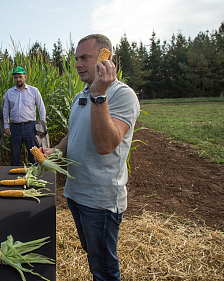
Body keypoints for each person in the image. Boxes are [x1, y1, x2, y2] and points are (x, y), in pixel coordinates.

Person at [42, 34, 140, 280]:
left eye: (85, 57)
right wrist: (57, 150)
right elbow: (74, 134)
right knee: (93, 254)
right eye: (76, 59)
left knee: (104, 269)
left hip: (101, 199)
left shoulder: (121, 95)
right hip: (76, 193)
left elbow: (106, 144)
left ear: (106, 57)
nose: (77, 64)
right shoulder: (81, 95)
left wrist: (99, 94)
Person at [3, 66, 46, 165]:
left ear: (25, 77)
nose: (18, 79)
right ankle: (14, 178)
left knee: (34, 155)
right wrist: (6, 126)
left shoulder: (34, 91)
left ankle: (35, 176)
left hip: (30, 127)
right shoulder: (9, 92)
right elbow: (5, 110)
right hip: (15, 128)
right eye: (15, 77)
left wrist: (42, 126)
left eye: (20, 77)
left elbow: (41, 108)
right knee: (15, 154)